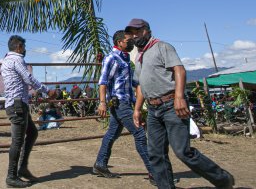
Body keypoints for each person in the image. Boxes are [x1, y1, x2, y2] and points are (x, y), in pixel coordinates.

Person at [129, 18, 235, 189]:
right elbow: (141, 85)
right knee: (155, 154)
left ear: (147, 31)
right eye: (132, 33)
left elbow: (179, 69)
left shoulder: (162, 47)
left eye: (138, 31)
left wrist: (179, 97)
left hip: (171, 104)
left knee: (182, 151)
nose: (135, 36)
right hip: (154, 109)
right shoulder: (140, 56)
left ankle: (222, 179)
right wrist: (137, 109)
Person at [93, 30, 154, 182]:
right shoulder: (112, 58)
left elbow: (130, 83)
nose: (132, 42)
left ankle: (100, 163)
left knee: (112, 134)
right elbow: (103, 82)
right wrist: (102, 102)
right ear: (119, 42)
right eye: (128, 40)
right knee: (139, 134)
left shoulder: (125, 59)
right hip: (119, 103)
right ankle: (155, 172)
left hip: (125, 102)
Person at [1, 35, 50, 188]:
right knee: (17, 141)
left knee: (33, 133)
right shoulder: (17, 59)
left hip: (17, 104)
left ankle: (22, 168)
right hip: (18, 106)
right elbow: (28, 78)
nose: (25, 50)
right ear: (19, 47)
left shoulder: (6, 60)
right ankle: (11, 176)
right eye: (23, 47)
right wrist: (47, 91)